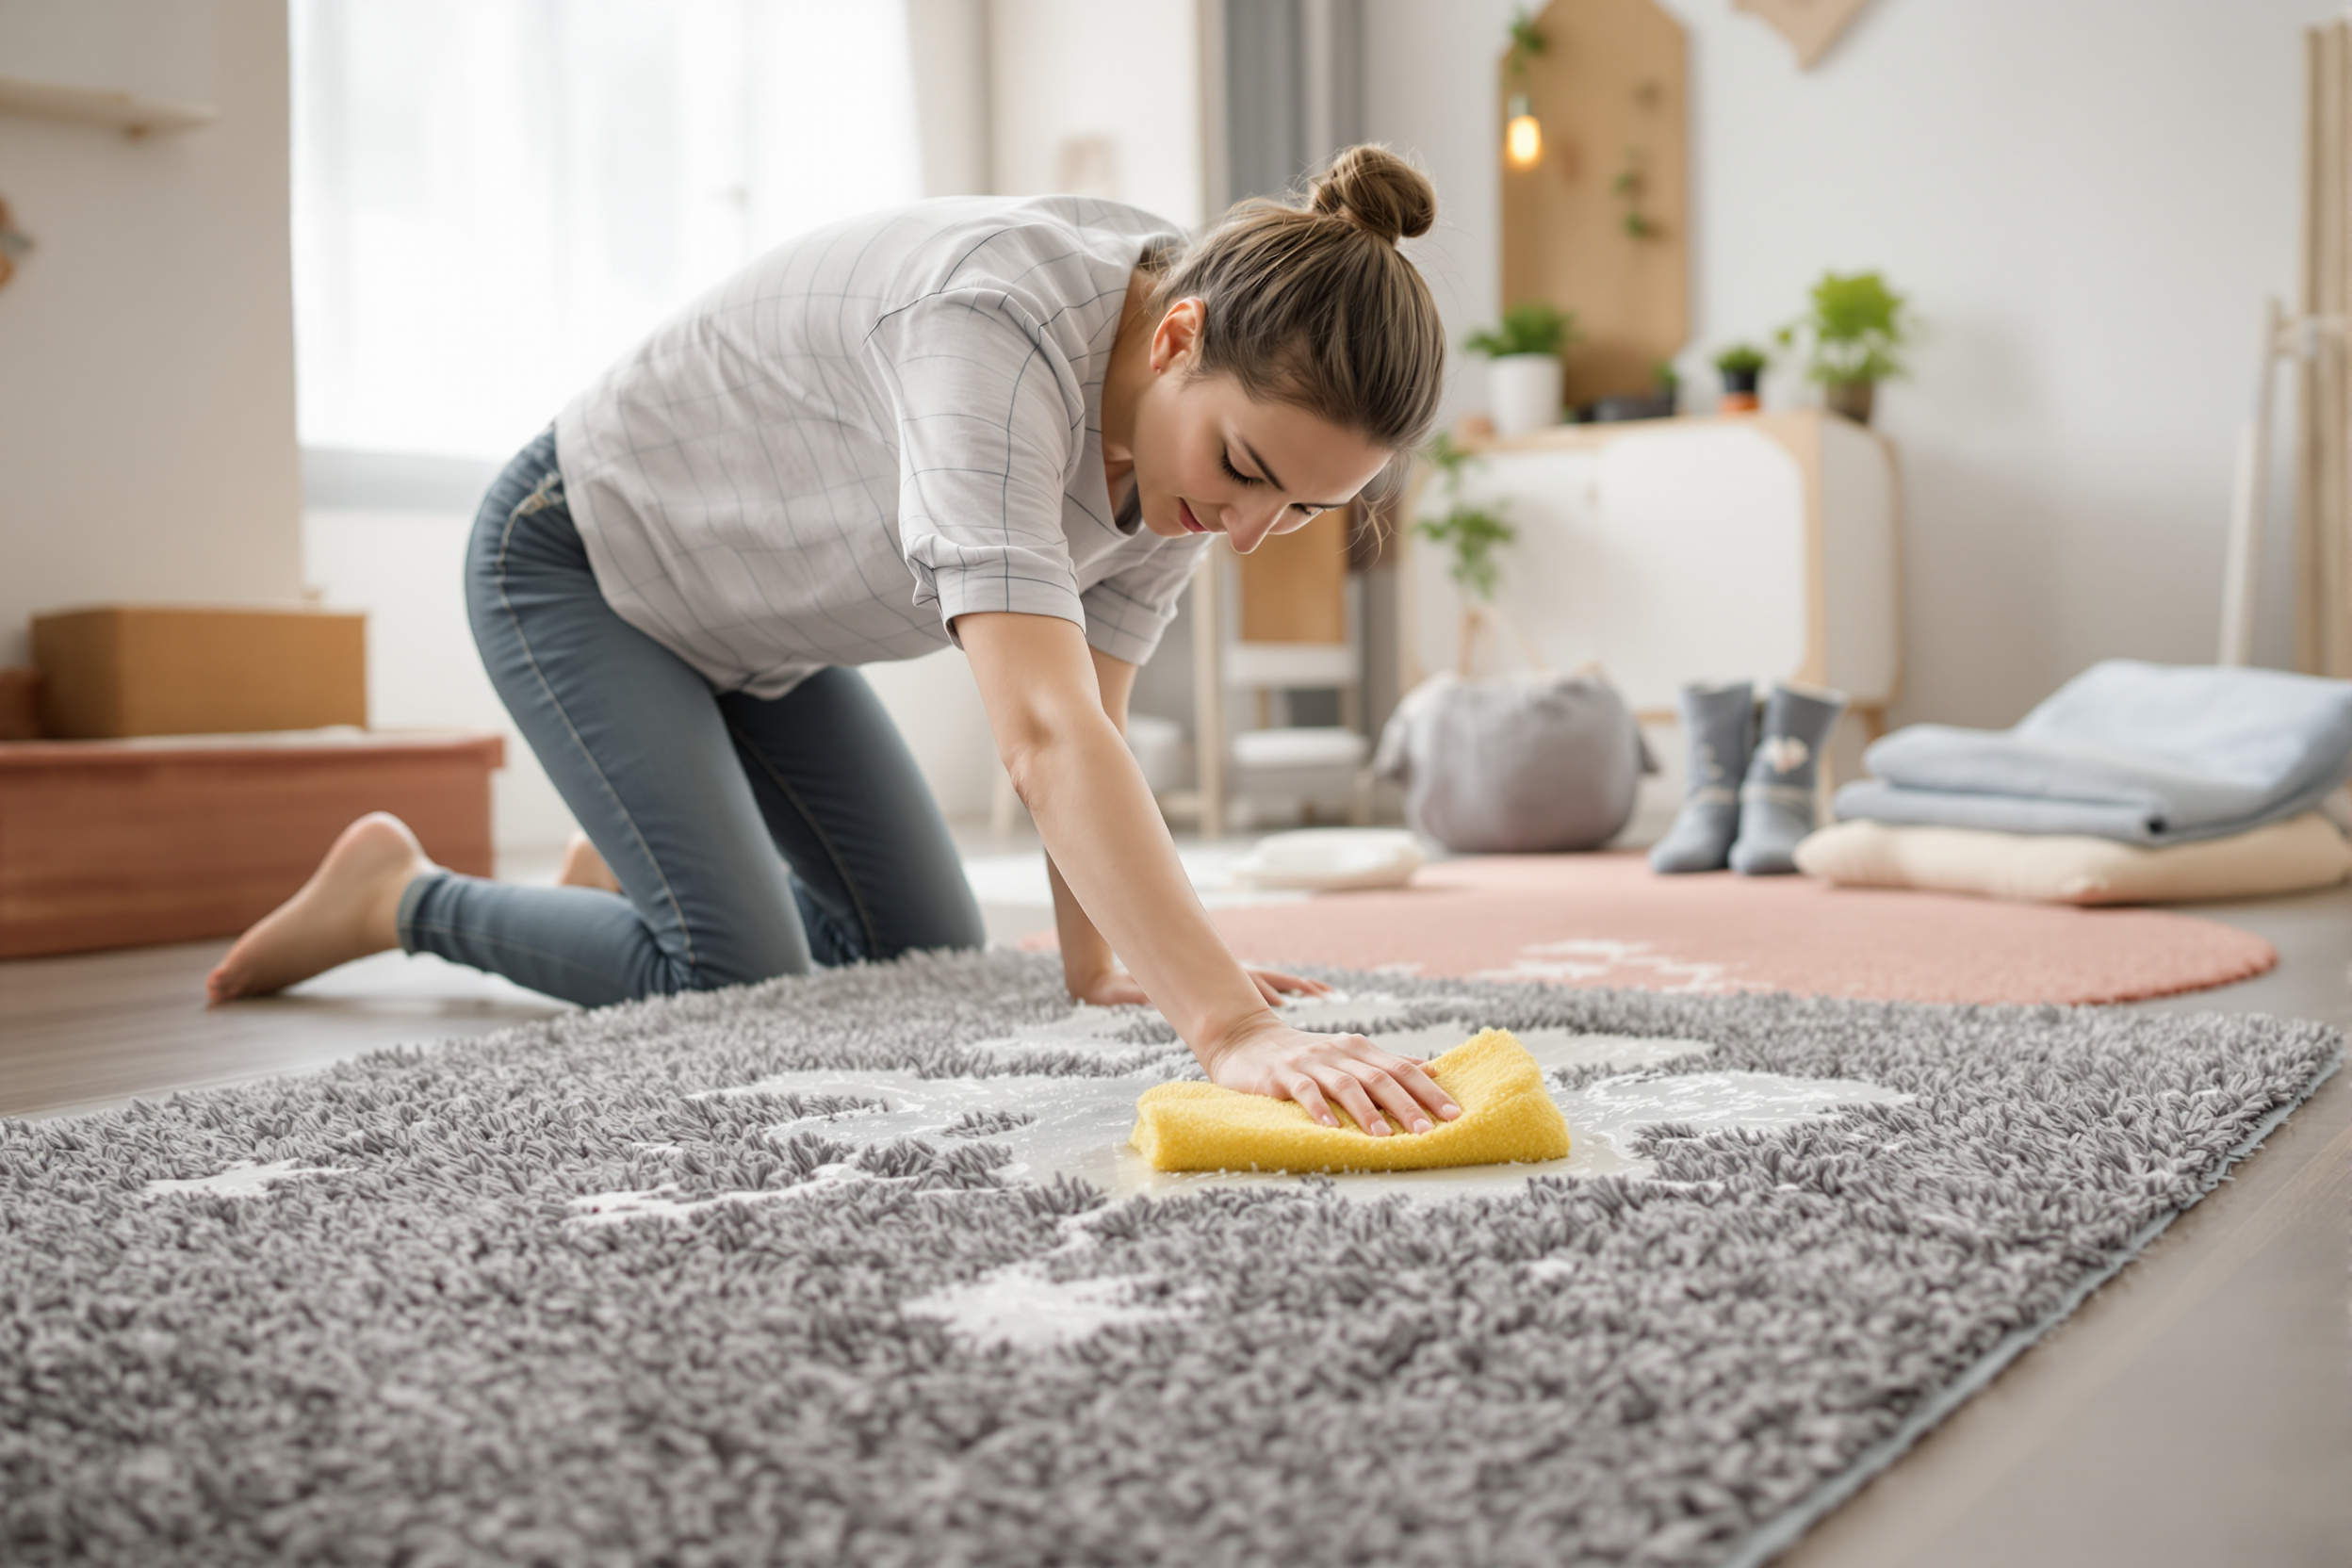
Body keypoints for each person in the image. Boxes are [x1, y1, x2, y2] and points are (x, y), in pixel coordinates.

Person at [208, 145, 1460, 1139]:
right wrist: (1231, 1028)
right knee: (732, 972)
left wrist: (1104, 961)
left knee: (917, 950)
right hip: (580, 560)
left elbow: (1097, 715)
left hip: (759, 643)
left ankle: (644, 839)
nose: (1248, 531)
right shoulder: (998, 326)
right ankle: (398, 897)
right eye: (1246, 475)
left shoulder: (1190, 441)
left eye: (1302, 511)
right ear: (1178, 339)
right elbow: (1039, 733)